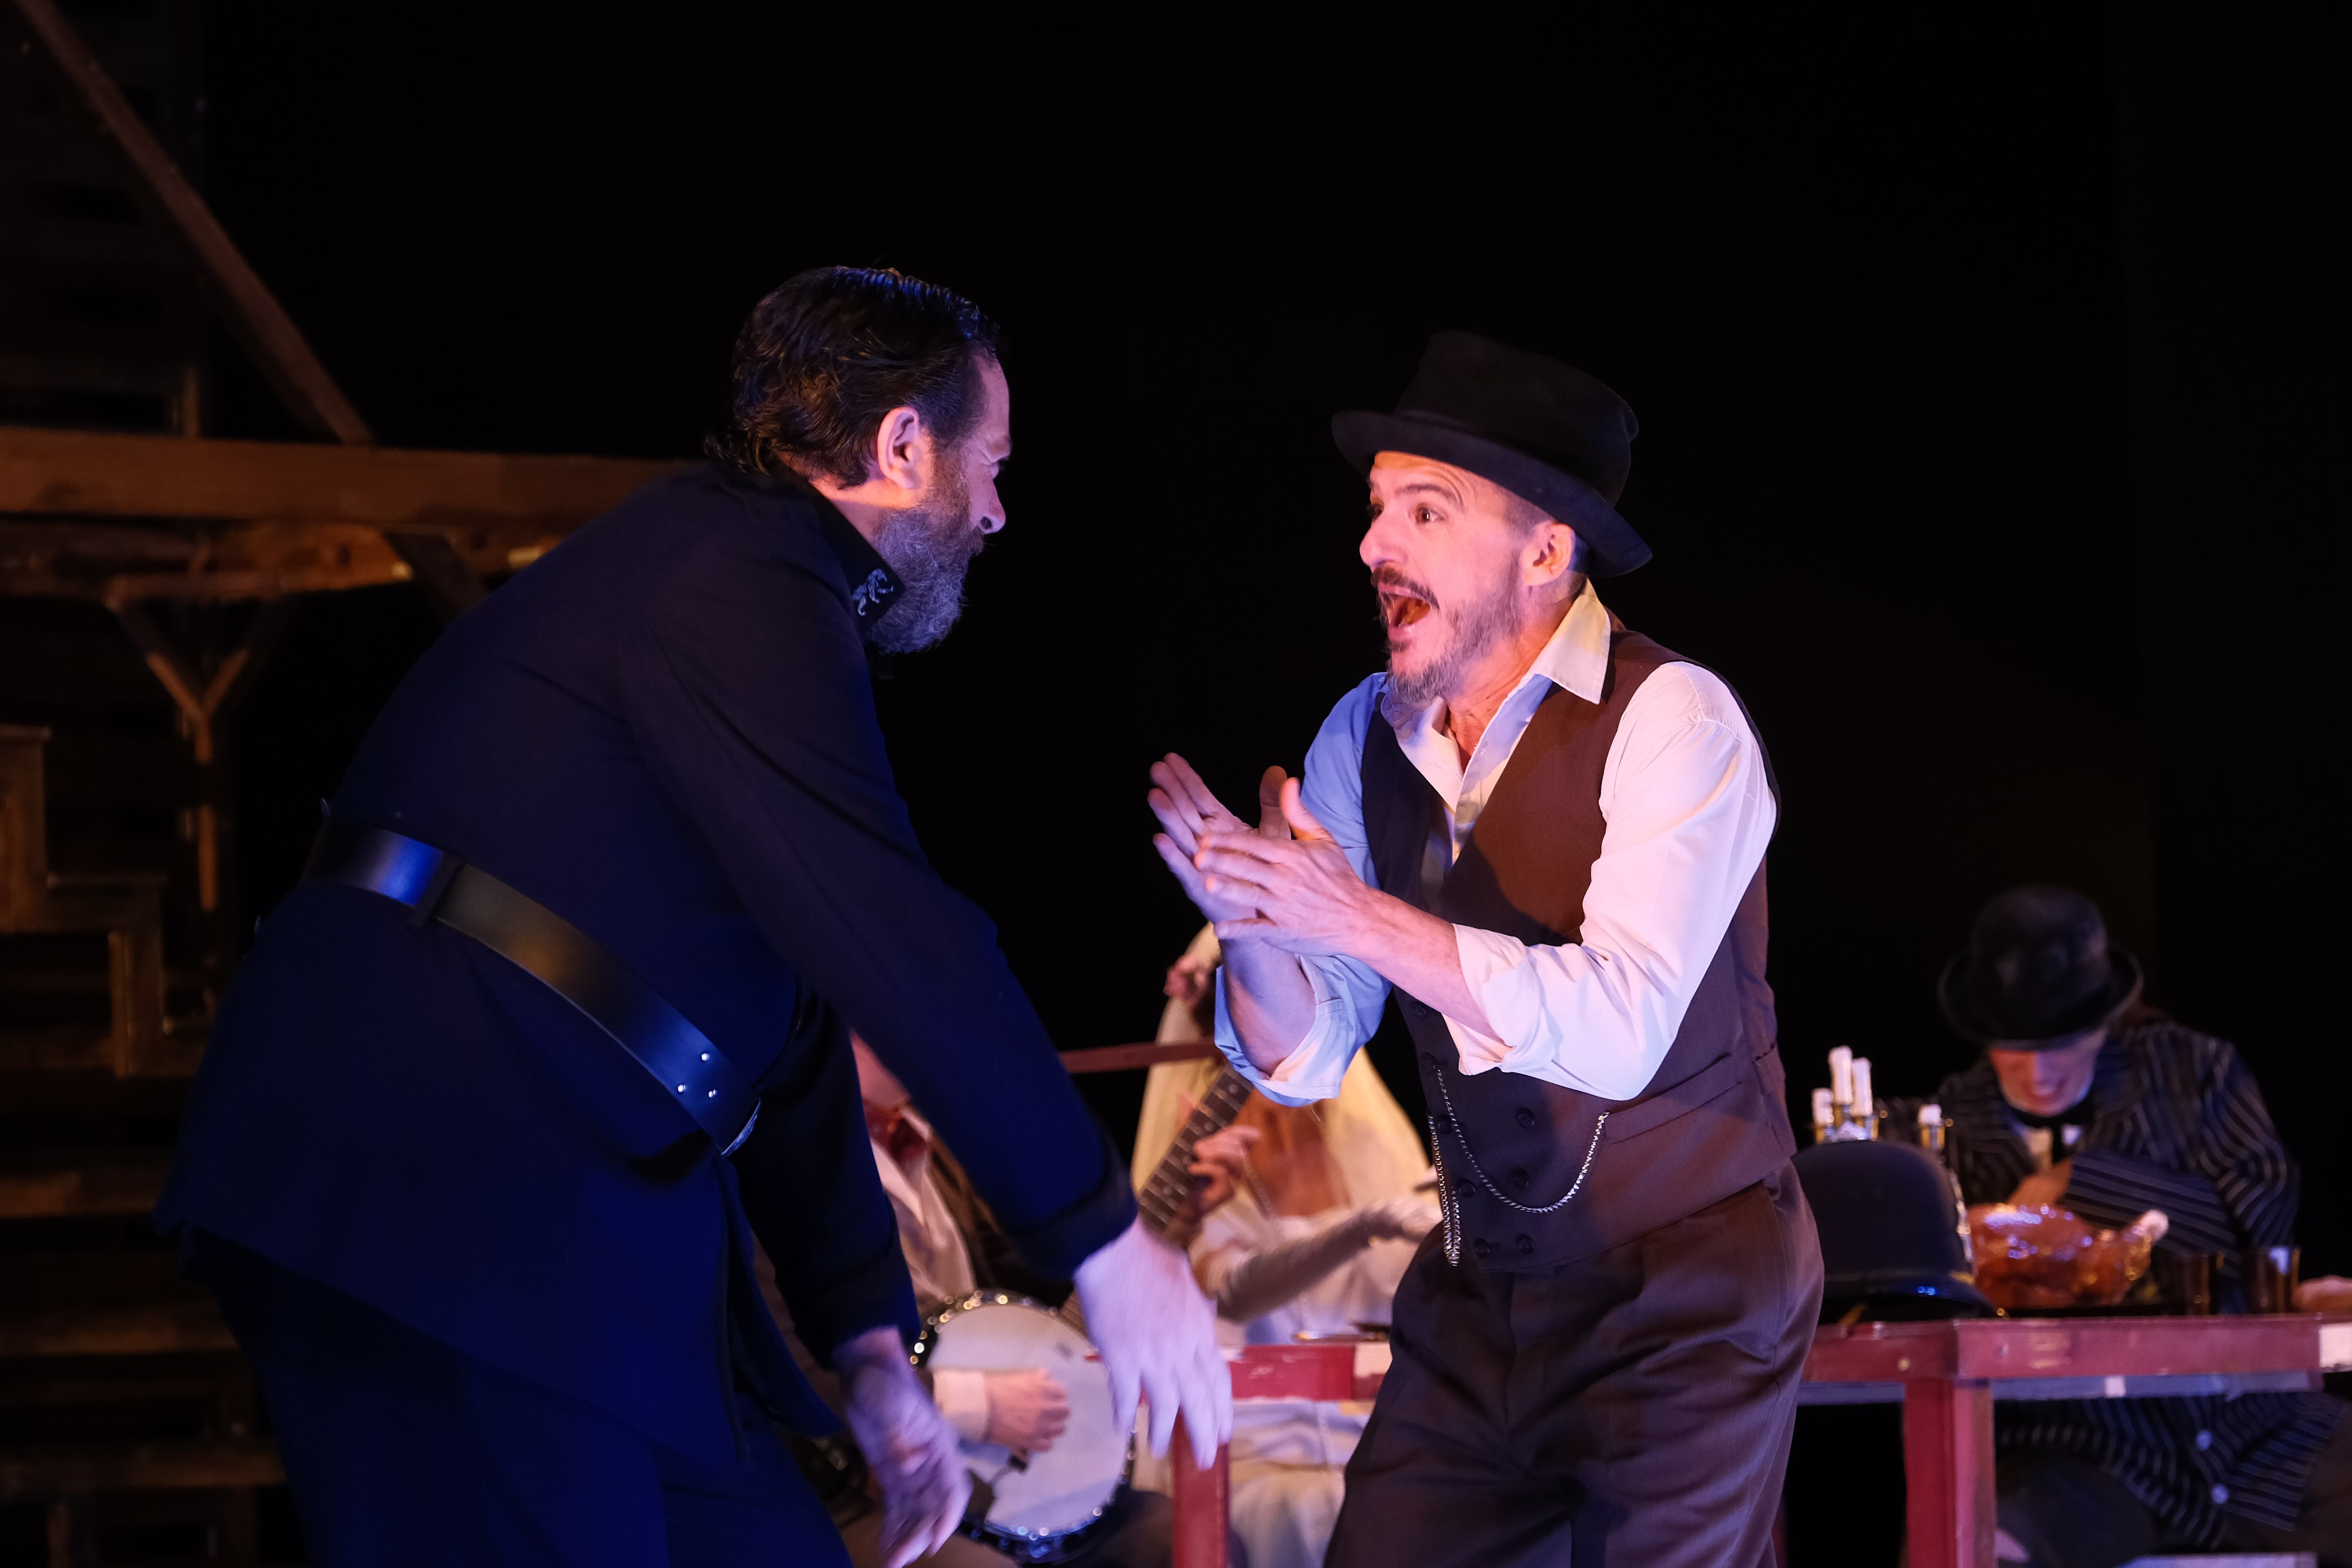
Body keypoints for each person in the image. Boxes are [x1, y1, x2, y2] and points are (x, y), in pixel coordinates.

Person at [155, 266, 1227, 1568]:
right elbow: (886, 922)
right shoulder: (731, 572)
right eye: (991, 465)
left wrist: (868, 1344)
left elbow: (790, 998)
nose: (999, 510)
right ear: (903, 447)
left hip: (580, 1241)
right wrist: (1103, 1241)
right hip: (438, 1188)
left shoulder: (750, 594)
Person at [1147, 332, 1822, 1568]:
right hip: (1480, 1294)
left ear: (1545, 551)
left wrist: (1348, 914)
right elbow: (1311, 1052)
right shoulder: (1363, 733)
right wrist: (1253, 928)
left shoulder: (1674, 717)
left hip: (1684, 1295)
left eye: (1425, 510)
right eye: (1375, 510)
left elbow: (1621, 1023)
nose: (1372, 545)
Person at [1885, 885, 2351, 1568]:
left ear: (2106, 1022)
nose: (2040, 1074)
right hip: (2080, 1455)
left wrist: (2085, 1181)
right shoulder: (1945, 1130)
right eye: (2016, 1049)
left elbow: (2260, 1232)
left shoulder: (2192, 1076)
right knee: (1974, 1542)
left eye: (2062, 1045)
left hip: (2248, 1434)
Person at [771, 1038, 1173, 1568]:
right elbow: (790, 1361)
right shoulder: (785, 1160)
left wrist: (1150, 1234)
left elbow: (1039, 1290)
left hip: (1009, 1468)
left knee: (1169, 1534)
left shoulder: (936, 1148)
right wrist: (978, 1404)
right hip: (870, 1484)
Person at [1137, 930, 1437, 1568]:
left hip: (1373, 1440)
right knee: (1318, 1510)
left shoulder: (1367, 1141)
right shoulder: (1205, 1157)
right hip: (1254, 1454)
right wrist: (1363, 1227)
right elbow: (1232, 1289)